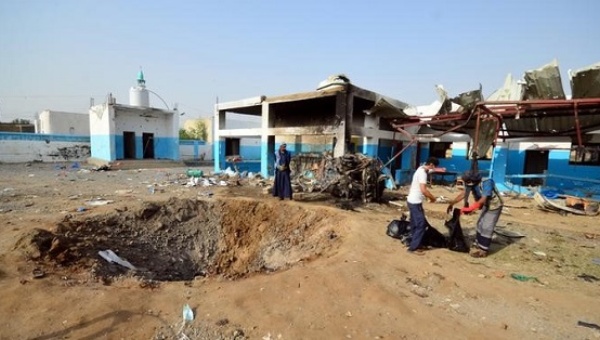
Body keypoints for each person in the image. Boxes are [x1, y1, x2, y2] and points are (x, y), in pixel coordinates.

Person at [448, 169, 504, 258]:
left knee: (487, 227)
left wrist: (471, 208)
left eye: (467, 181)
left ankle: (483, 250)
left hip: (494, 206)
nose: (466, 183)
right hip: (485, 205)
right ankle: (478, 243)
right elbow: (463, 194)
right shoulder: (471, 183)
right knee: (480, 224)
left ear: (472, 180)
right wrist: (452, 203)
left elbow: (484, 198)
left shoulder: (487, 182)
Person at [406, 157, 439, 255]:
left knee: (414, 223)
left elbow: (429, 170)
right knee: (421, 224)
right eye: (434, 166)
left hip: (412, 200)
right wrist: (433, 198)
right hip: (415, 202)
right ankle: (413, 248)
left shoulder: (420, 168)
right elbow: (424, 190)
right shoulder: (423, 173)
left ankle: (413, 242)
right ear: (431, 164)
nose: (433, 169)